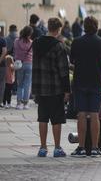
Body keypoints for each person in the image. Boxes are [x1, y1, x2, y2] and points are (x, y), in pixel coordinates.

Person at [31, 18, 71, 157]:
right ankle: (57, 148)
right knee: (56, 119)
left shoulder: (36, 43)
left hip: (40, 88)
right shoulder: (59, 46)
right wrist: (67, 90)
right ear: (59, 29)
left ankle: (42, 148)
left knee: (42, 118)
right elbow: (63, 70)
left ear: (48, 27)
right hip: (55, 88)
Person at [70, 16, 101, 157]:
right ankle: (95, 147)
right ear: (97, 26)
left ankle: (81, 147)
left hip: (80, 81)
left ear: (84, 26)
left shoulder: (77, 42)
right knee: (94, 115)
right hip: (96, 81)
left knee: (81, 114)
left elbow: (72, 60)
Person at [14, 26, 34, 109]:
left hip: (19, 64)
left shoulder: (16, 41)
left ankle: (19, 103)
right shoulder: (31, 42)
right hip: (29, 63)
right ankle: (25, 103)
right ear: (29, 34)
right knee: (27, 84)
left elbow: (15, 50)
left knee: (20, 84)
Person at [0, 26, 7, 105]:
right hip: (2, 65)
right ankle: (0, 101)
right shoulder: (2, 40)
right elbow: (4, 52)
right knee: (1, 83)